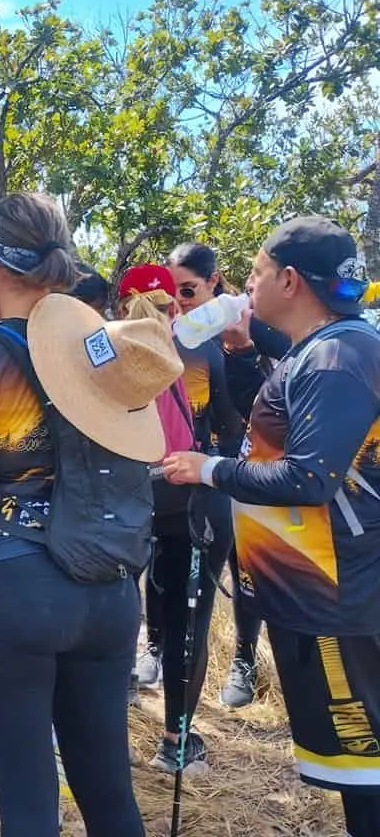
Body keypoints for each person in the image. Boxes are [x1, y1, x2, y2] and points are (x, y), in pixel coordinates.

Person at [0, 193, 163, 836]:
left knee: (30, 807)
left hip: (12, 588)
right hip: (109, 591)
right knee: (110, 793)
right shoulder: (106, 349)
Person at [163, 216, 380, 836]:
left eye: (255, 274)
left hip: (339, 600)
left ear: (289, 280)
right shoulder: (324, 347)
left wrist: (210, 469)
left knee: (367, 773)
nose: (248, 285)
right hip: (316, 594)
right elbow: (288, 407)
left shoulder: (339, 357)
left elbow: (308, 479)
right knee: (356, 774)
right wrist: (242, 344)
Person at [117, 265, 242, 774]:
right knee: (187, 622)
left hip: (125, 500)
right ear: (175, 304)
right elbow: (231, 426)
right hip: (192, 499)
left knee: (114, 610)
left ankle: (107, 721)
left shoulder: (106, 350)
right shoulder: (203, 350)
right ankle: (177, 743)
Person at [167, 241, 291, 708]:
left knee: (248, 570)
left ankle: (243, 658)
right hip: (205, 468)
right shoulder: (179, 331)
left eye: (188, 289)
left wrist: (244, 347)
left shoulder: (247, 321)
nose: (180, 300)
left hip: (249, 463)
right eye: (172, 290)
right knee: (191, 577)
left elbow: (287, 371)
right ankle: (161, 652)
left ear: (214, 282)